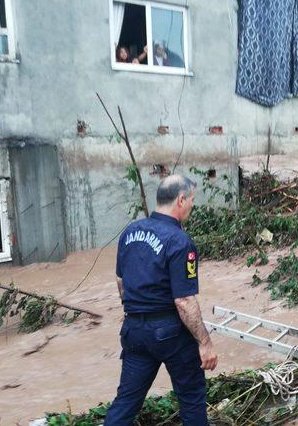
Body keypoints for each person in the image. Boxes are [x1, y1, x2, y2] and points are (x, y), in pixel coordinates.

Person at [104, 175, 218, 426]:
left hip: (134, 331)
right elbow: (184, 300)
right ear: (180, 199)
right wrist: (205, 342)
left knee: (126, 403)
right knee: (191, 398)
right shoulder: (179, 241)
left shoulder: (130, 232)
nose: (191, 206)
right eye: (191, 200)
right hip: (170, 333)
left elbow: (121, 281)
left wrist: (136, 313)